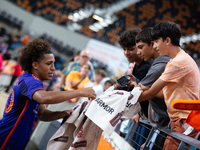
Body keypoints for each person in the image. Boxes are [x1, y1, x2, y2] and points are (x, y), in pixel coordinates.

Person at [0, 39, 96, 150]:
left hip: (15, 139)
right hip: (6, 137)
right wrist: (80, 92)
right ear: (35, 65)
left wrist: (62, 113)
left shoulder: (35, 83)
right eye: (48, 63)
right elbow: (44, 98)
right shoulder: (30, 80)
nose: (53, 68)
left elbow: (42, 114)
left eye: (53, 63)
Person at [129, 21, 200, 150]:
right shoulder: (177, 59)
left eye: (156, 41)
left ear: (167, 40)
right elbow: (162, 93)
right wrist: (141, 87)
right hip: (180, 120)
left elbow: (151, 92)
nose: (155, 46)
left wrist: (127, 100)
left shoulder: (178, 62)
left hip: (184, 120)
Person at [131, 28, 170, 149]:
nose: (138, 52)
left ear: (152, 44)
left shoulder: (159, 66)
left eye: (141, 47)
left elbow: (142, 91)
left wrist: (123, 102)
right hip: (161, 124)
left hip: (168, 124)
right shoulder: (158, 64)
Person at [116, 28, 153, 146]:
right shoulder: (137, 66)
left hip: (151, 119)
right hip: (143, 116)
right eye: (124, 49)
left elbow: (141, 93)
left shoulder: (147, 67)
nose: (127, 53)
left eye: (131, 49)